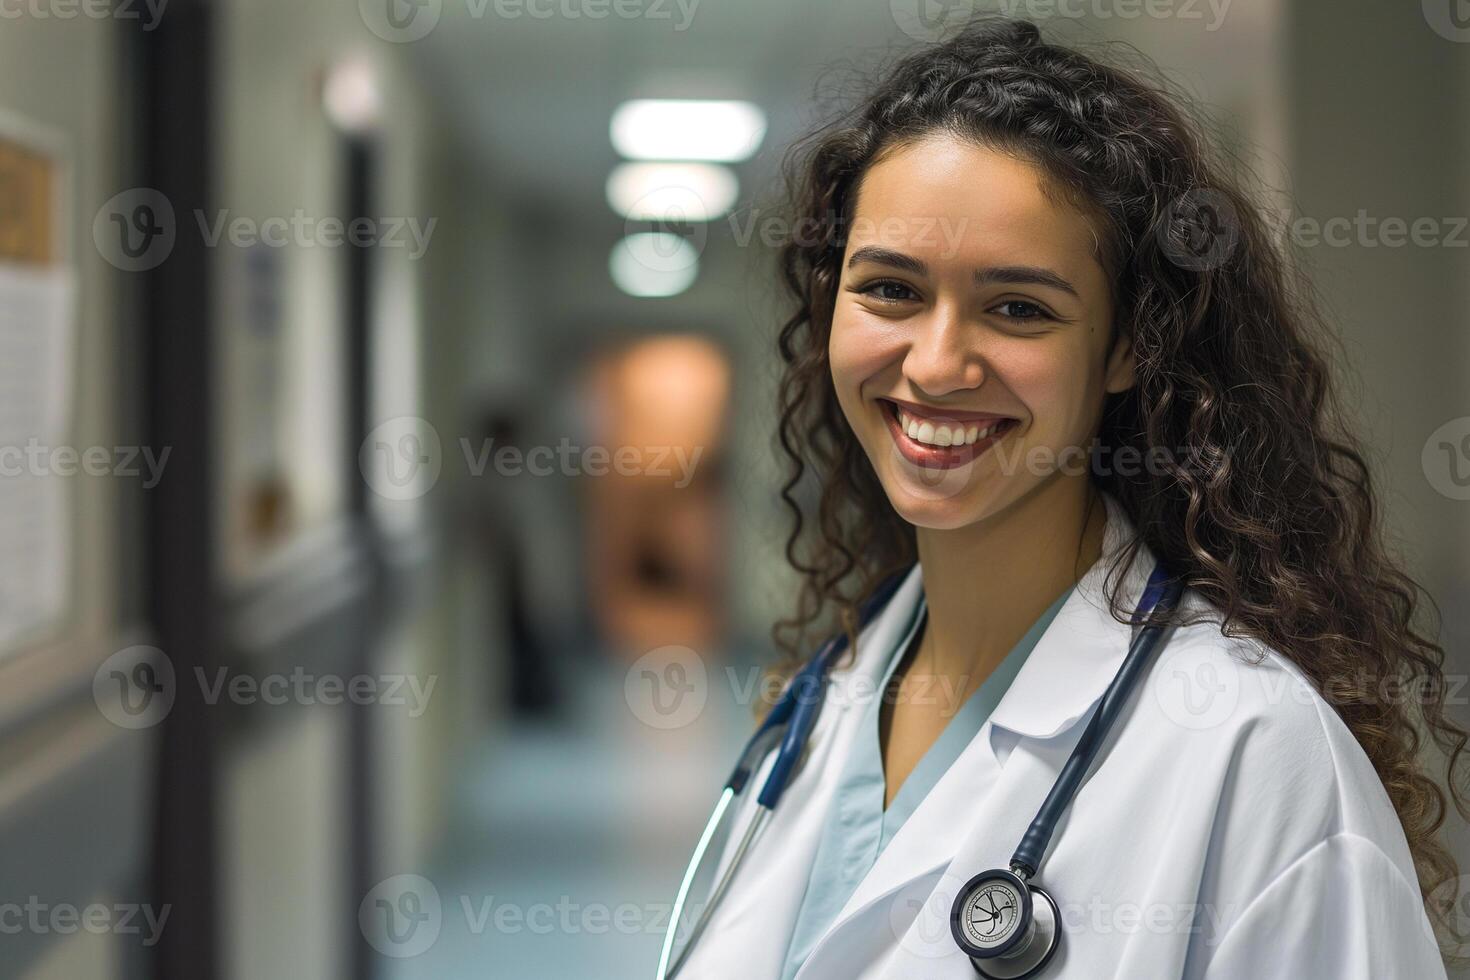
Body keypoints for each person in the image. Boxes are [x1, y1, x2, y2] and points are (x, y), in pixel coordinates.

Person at [667, 17, 1463, 979]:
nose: (936, 364)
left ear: (1129, 347)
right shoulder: (830, 697)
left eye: (1018, 308)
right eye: (890, 290)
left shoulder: (1255, 757)